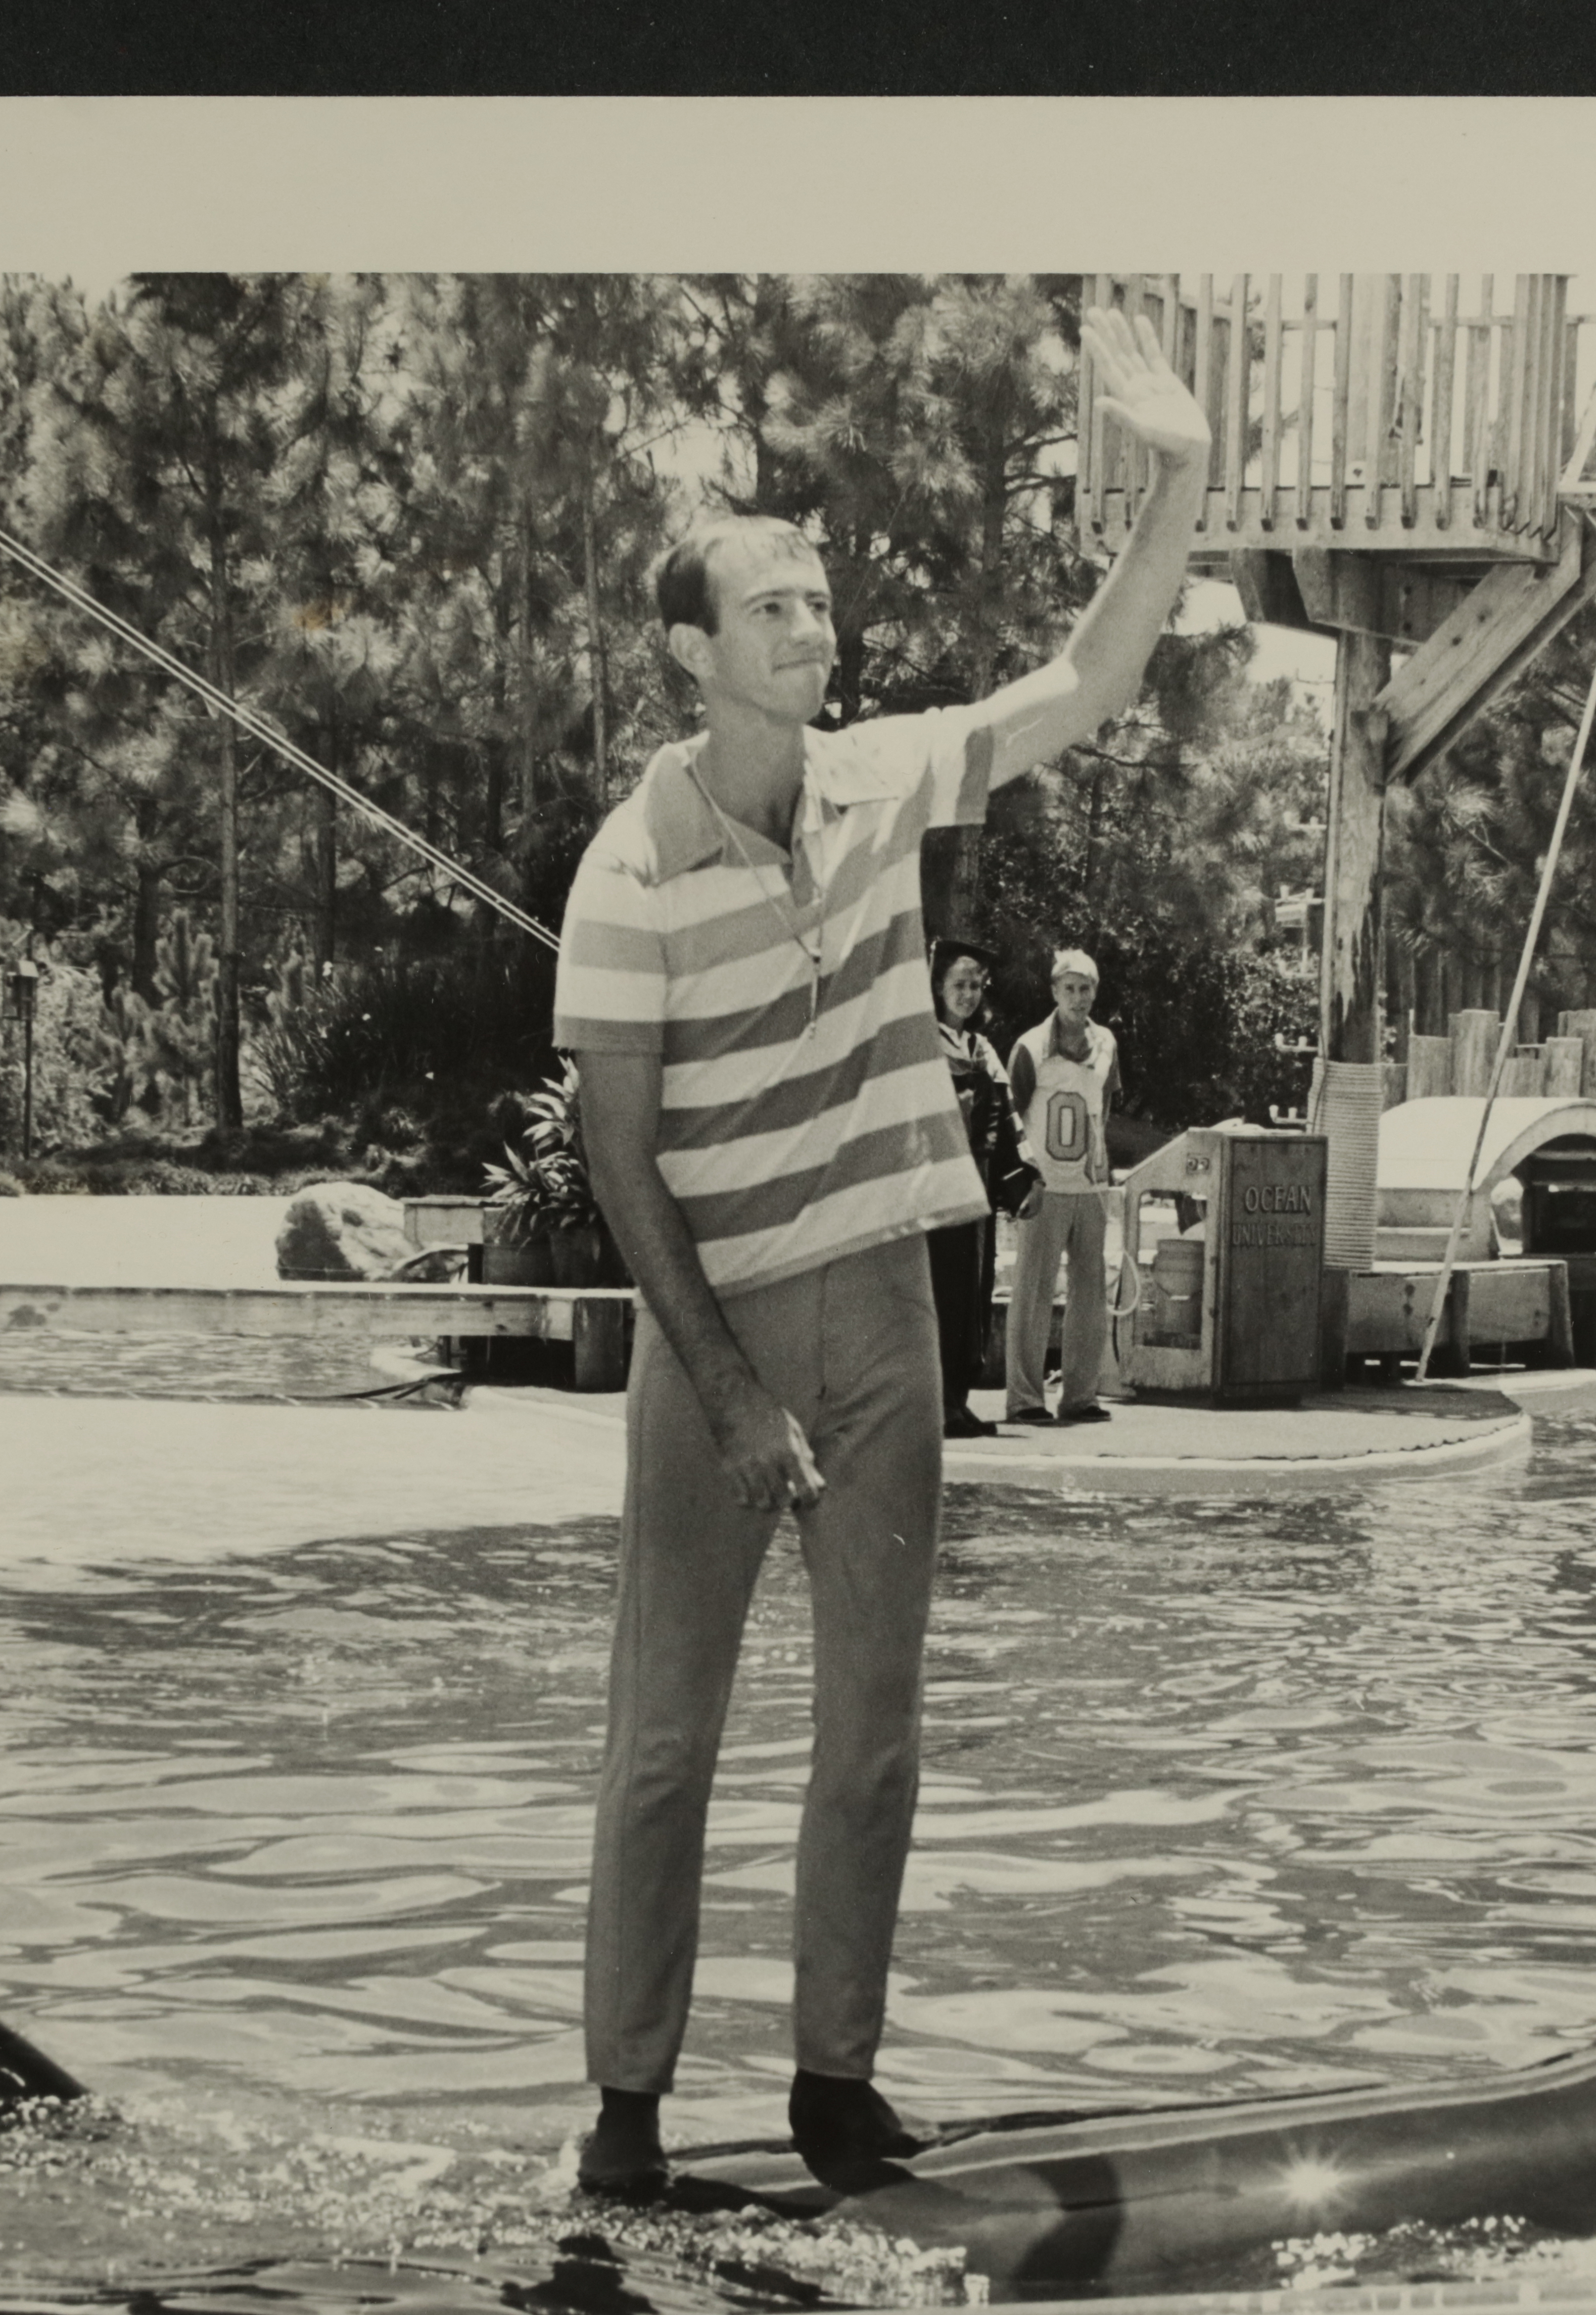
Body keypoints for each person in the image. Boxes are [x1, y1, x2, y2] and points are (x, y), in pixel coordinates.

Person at [552, 306, 1211, 2196]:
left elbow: (1088, 676)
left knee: (876, 1731)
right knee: (663, 1740)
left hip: (887, 1321)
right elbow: (619, 1162)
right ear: (694, 651)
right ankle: (628, 2107)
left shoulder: (881, 782)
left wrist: (1179, 476)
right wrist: (737, 1391)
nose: (816, 630)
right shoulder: (630, 873)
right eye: (776, 610)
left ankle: (834, 2082)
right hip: (714, 1337)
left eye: (821, 606)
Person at [925, 939, 1040, 1440]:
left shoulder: (981, 1050)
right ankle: (934, 1400)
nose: (968, 994)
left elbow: (1009, 1120)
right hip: (930, 1197)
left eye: (975, 985)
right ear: (936, 988)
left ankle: (957, 1396)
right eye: (958, 984)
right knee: (937, 1295)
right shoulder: (919, 1044)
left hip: (974, 1194)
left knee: (971, 1295)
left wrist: (1023, 1179)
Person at [1002, 948, 1122, 1425]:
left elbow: (1105, 1109)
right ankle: (1025, 1399)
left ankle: (1081, 1395)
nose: (1078, 998)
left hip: (1089, 1188)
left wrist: (1101, 1171)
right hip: (1044, 1187)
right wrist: (1020, 1185)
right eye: (1069, 989)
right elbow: (1011, 1117)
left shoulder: (1108, 1042)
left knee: (1090, 1295)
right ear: (1054, 992)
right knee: (1032, 1294)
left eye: (1086, 988)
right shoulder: (1030, 1046)